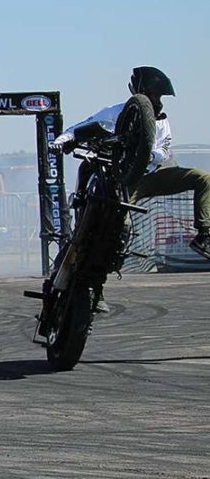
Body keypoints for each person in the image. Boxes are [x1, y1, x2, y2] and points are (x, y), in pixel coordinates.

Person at [51, 66, 210, 312]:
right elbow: (81, 126)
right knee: (119, 226)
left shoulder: (163, 122)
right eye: (152, 95)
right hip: (116, 178)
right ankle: (94, 286)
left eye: (159, 97)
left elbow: (164, 150)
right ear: (139, 92)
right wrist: (64, 139)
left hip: (149, 176)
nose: (156, 101)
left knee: (203, 178)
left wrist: (151, 155)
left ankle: (204, 234)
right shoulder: (116, 113)